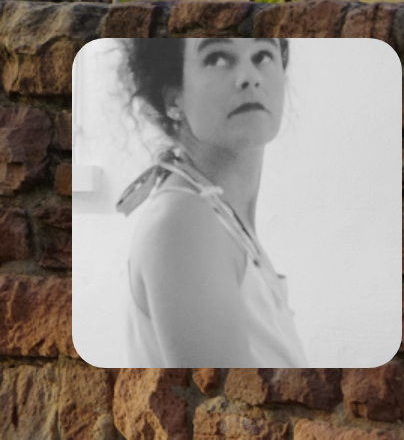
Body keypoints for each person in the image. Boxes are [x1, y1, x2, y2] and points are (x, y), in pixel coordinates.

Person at [114, 37, 307, 367]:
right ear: (173, 97)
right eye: (217, 58)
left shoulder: (220, 215)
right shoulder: (183, 222)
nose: (249, 77)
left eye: (262, 55)